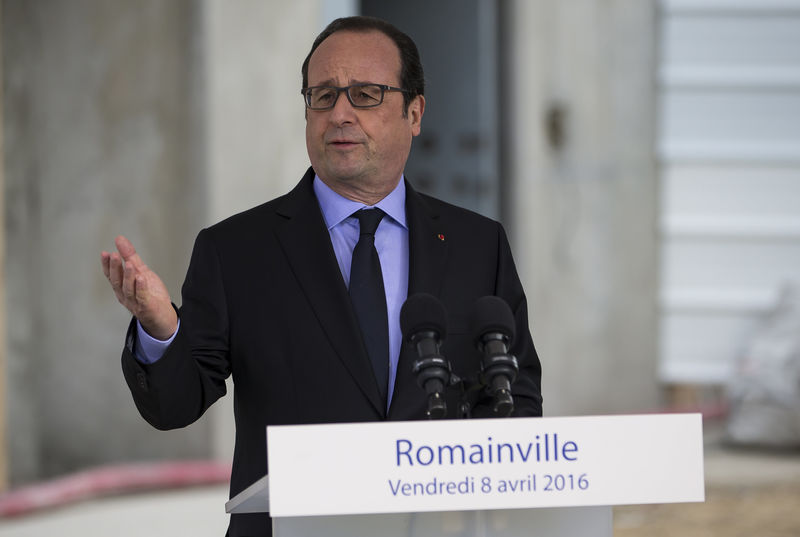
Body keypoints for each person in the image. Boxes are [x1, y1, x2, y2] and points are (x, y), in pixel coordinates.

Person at [101, 16, 542, 537]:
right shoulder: (237, 250)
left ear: (415, 111)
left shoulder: (478, 245)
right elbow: (175, 404)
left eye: (366, 94)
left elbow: (519, 403)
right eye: (324, 95)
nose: (340, 114)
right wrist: (159, 329)